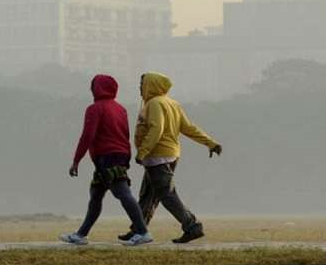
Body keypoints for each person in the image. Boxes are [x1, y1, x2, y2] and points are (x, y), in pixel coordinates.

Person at [118, 72, 222, 244]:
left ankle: (192, 226)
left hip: (158, 156)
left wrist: (142, 152)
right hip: (170, 154)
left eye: (142, 84)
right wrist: (210, 143)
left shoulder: (154, 104)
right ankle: (138, 228)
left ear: (151, 86)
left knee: (167, 195)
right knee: (148, 194)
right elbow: (188, 128)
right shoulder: (172, 103)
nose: (139, 88)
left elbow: (156, 129)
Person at [60, 74, 153, 246]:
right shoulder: (120, 109)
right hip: (119, 155)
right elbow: (125, 134)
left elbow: (87, 136)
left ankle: (142, 231)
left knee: (122, 193)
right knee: (96, 195)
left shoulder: (94, 109)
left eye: (93, 85)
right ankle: (81, 235)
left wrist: (76, 160)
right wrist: (126, 155)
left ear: (97, 88)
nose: (91, 89)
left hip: (107, 157)